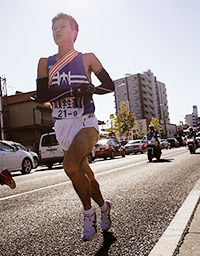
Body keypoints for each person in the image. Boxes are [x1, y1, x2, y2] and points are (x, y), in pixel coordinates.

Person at [36, 13, 114, 242]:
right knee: (85, 173)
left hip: (85, 122)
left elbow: (108, 85)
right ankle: (103, 205)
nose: (57, 31)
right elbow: (42, 95)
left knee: (69, 166)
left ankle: (88, 213)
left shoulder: (87, 58)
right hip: (62, 125)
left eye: (62, 27)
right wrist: (73, 91)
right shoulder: (45, 62)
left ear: (74, 32)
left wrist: (89, 89)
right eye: (54, 28)